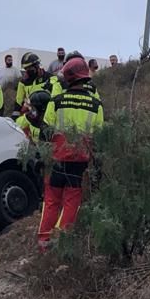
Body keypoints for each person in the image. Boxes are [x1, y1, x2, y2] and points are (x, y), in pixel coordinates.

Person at [37, 57, 104, 251]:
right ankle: (64, 243)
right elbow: (99, 138)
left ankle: (44, 243)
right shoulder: (96, 105)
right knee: (71, 202)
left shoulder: (56, 101)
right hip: (80, 162)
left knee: (51, 201)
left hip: (56, 160)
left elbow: (45, 133)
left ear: (67, 79)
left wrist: (42, 159)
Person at [15, 52, 52, 118]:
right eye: (26, 69)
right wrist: (15, 117)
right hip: (30, 115)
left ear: (37, 66)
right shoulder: (23, 82)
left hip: (47, 114)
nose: (27, 71)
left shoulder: (50, 79)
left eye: (29, 68)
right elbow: (18, 101)